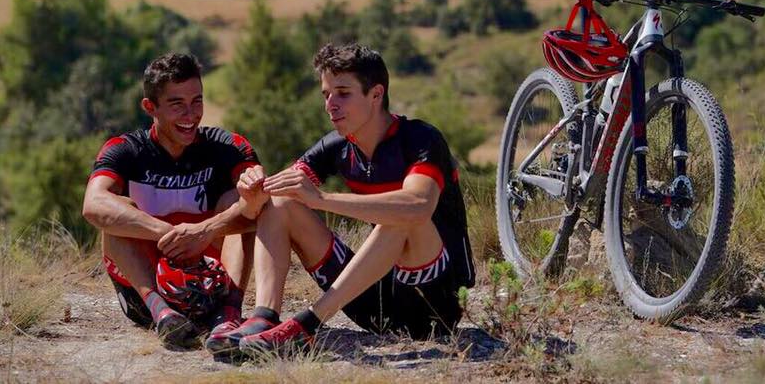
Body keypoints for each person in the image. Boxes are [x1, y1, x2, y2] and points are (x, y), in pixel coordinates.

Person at [206, 43, 476, 357]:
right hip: (374, 306)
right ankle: (264, 318)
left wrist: (322, 199)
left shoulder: (420, 139)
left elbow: (418, 206)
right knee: (279, 203)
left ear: (376, 95)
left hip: (437, 304)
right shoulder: (336, 147)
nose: (330, 105)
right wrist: (251, 194)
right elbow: (273, 198)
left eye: (343, 93)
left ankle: (306, 325)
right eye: (326, 94)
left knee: (402, 215)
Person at [81, 52, 261, 349]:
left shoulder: (227, 146)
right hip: (146, 293)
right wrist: (167, 233)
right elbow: (93, 205)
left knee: (240, 200)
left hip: (211, 283)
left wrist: (206, 230)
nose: (191, 115)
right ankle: (163, 314)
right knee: (115, 211)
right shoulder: (124, 150)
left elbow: (257, 197)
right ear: (150, 107)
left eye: (197, 102)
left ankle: (229, 314)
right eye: (177, 105)